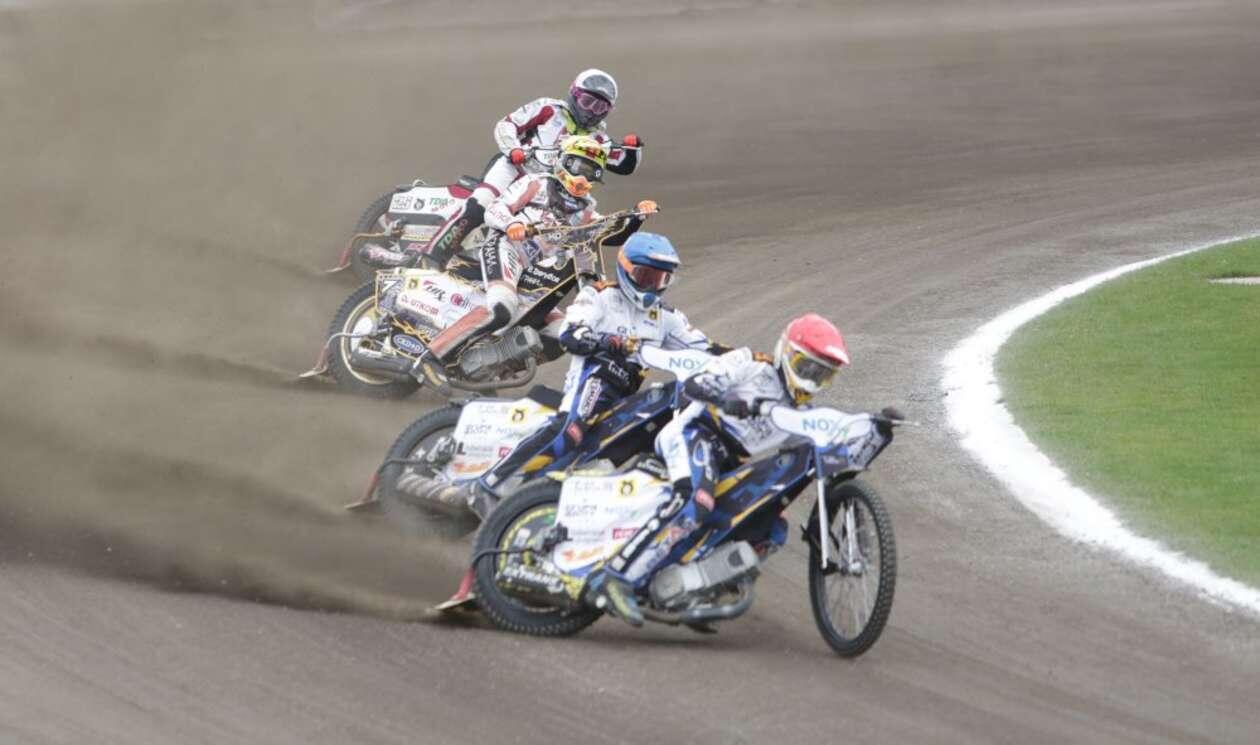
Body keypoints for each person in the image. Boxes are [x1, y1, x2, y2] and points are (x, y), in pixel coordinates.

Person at [586, 313, 852, 626]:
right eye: (807, 367)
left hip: (727, 462)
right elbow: (696, 383)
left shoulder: (799, 413)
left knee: (771, 527)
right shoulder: (750, 363)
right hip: (694, 433)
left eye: (822, 374)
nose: (811, 379)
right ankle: (613, 576)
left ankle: (696, 588)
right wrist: (727, 400)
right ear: (786, 353)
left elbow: (817, 445)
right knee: (695, 501)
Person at [457, 232, 727, 518]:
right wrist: (605, 341)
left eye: (659, 279)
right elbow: (570, 333)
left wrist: (746, 360)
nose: (650, 287)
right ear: (625, 268)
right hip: (592, 377)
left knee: (623, 441)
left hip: (623, 395)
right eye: (645, 276)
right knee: (571, 432)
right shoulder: (598, 295)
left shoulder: (667, 318)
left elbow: (705, 348)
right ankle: (487, 484)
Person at [414, 135, 649, 381]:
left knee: (562, 333)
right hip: (507, 248)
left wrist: (636, 217)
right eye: (580, 167)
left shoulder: (587, 210)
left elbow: (609, 233)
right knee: (502, 307)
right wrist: (511, 224)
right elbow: (495, 209)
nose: (583, 176)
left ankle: (483, 369)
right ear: (565, 162)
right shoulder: (537, 183)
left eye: (591, 172)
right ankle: (429, 359)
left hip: (537, 274)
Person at [421, 69, 643, 268]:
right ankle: (430, 257)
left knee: (557, 231)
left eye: (600, 106)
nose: (592, 111)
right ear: (574, 94)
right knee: (481, 204)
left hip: (547, 188)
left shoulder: (599, 139)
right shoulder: (548, 108)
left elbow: (623, 164)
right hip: (515, 169)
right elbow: (507, 124)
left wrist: (633, 149)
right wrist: (513, 149)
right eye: (588, 102)